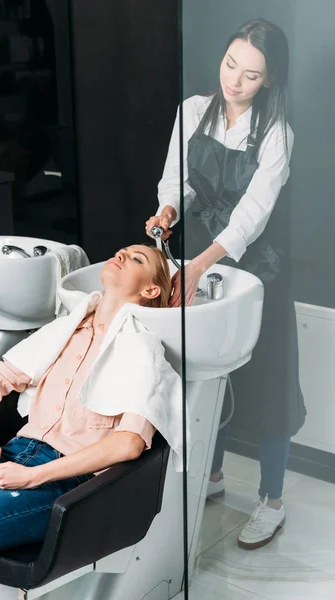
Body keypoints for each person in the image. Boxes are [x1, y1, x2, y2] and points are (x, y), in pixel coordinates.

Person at [0, 244, 181, 599]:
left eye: (137, 259)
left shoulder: (143, 352)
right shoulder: (64, 331)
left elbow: (128, 443)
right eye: (123, 251)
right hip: (12, 452)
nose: (122, 255)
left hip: (67, 478)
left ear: (150, 290)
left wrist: (34, 475)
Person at [146, 18, 306, 550]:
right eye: (231, 65)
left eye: (251, 75)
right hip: (202, 257)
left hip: (259, 267)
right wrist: (167, 212)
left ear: (270, 81)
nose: (234, 81)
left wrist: (201, 263)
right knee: (206, 367)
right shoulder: (192, 111)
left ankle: (272, 502)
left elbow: (251, 218)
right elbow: (179, 182)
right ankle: (210, 479)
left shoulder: (277, 133)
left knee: (269, 380)